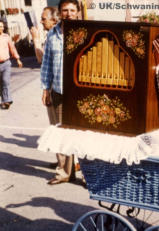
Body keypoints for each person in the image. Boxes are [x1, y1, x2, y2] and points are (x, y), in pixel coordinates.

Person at [41, 0, 80, 185]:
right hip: (58, 90)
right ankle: (65, 172)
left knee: (83, 134)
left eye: (72, 10)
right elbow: (46, 63)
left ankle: (86, 173)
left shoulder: (86, 33)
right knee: (59, 132)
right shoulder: (52, 34)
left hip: (80, 93)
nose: (69, 13)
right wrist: (45, 88)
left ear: (78, 12)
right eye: (65, 10)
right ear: (60, 12)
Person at [0, 19, 23, 110]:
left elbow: (12, 48)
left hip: (6, 63)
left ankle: (6, 100)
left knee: (5, 81)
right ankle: (5, 99)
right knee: (1, 83)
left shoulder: (6, 37)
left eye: (2, 26)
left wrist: (18, 59)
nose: (1, 28)